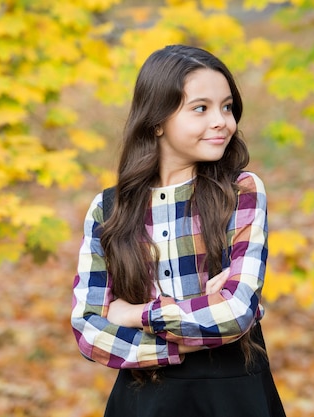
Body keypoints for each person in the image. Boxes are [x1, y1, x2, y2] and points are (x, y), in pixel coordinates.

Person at [71, 44, 286, 417]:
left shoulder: (241, 192)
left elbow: (235, 312)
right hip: (144, 399)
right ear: (157, 121)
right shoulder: (109, 210)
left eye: (227, 106)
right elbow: (89, 330)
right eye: (200, 108)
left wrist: (136, 315)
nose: (221, 120)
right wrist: (190, 332)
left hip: (233, 396)